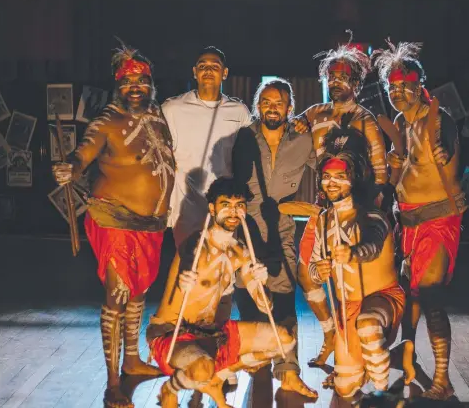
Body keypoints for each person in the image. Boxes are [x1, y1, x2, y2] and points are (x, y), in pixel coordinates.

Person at [52, 41, 176, 408]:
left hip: (151, 226)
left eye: (141, 80)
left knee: (138, 293)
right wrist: (70, 167)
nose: (134, 87)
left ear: (151, 84)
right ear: (116, 87)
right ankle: (112, 381)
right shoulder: (107, 120)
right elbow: (83, 152)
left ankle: (133, 360)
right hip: (115, 221)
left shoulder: (157, 118)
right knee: (118, 297)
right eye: (126, 82)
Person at [291, 40, 400, 367]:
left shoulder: (365, 120)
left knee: (350, 286)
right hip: (323, 210)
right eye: (332, 77)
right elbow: (290, 137)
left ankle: (353, 349)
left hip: (357, 212)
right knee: (307, 274)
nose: (337, 83)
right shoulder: (313, 114)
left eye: (344, 77)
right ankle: (330, 334)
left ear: (356, 83)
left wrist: (369, 219)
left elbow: (381, 174)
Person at [147, 177, 295, 408]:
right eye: (226, 204)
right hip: (172, 334)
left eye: (240, 205)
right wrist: (185, 279)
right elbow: (187, 266)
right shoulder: (196, 244)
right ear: (212, 208)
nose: (233, 212)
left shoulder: (240, 251)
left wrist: (262, 283)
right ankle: (171, 389)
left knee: (284, 340)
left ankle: (217, 377)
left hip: (212, 333)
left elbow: (265, 306)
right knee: (202, 367)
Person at [371, 40, 466, 400]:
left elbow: (449, 158)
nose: (397, 92)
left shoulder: (438, 120)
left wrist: (445, 151)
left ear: (419, 84)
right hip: (406, 222)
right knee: (410, 292)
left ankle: (442, 379)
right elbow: (400, 177)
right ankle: (407, 353)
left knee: (430, 295)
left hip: (438, 220)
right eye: (391, 87)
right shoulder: (398, 122)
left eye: (403, 85)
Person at [231, 78, 317, 398]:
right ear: (258, 106)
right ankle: (256, 358)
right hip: (246, 228)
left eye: (277, 103)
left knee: (282, 296)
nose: (271, 107)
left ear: (289, 108)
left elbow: (328, 168)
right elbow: (227, 176)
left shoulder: (303, 141)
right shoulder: (243, 138)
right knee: (248, 295)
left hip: (281, 227)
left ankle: (288, 369)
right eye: (265, 102)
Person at [307, 119, 404, 399]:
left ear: (354, 177)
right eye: (327, 175)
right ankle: (396, 356)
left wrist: (352, 253)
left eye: (340, 175)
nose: (332, 182)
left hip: (381, 298)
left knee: (368, 324)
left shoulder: (373, 214)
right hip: (347, 308)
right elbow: (313, 269)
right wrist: (319, 270)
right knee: (346, 388)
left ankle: (384, 394)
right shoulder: (323, 221)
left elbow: (373, 244)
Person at [162, 46, 253, 248]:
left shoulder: (239, 112)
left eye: (215, 66)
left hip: (224, 204)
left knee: (223, 265)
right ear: (195, 72)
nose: (208, 70)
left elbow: (249, 151)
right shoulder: (172, 109)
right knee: (190, 265)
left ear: (225, 73)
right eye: (202, 66)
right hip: (186, 204)